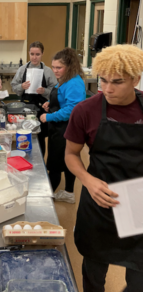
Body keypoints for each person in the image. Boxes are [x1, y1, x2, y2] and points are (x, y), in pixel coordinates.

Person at [65, 44, 143, 292]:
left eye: (117, 82)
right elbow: (71, 154)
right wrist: (87, 180)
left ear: (136, 79)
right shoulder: (85, 111)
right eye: (103, 80)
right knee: (94, 275)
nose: (107, 89)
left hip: (138, 205)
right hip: (100, 205)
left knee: (139, 277)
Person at [40, 48, 85, 203]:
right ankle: (69, 192)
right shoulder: (66, 80)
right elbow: (62, 101)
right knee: (66, 161)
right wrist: (50, 104)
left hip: (65, 129)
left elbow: (72, 109)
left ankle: (47, 196)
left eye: (59, 67)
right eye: (53, 67)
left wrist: (50, 116)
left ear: (70, 66)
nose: (55, 71)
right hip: (59, 127)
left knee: (56, 163)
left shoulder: (74, 83)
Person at [11, 41, 57, 157]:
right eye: (32, 54)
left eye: (37, 54)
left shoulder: (47, 71)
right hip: (25, 107)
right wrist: (21, 87)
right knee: (24, 133)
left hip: (42, 109)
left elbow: (56, 90)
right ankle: (24, 156)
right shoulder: (22, 69)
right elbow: (13, 86)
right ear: (29, 53)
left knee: (40, 137)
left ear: (42, 54)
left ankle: (40, 160)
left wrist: (45, 91)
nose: (34, 57)